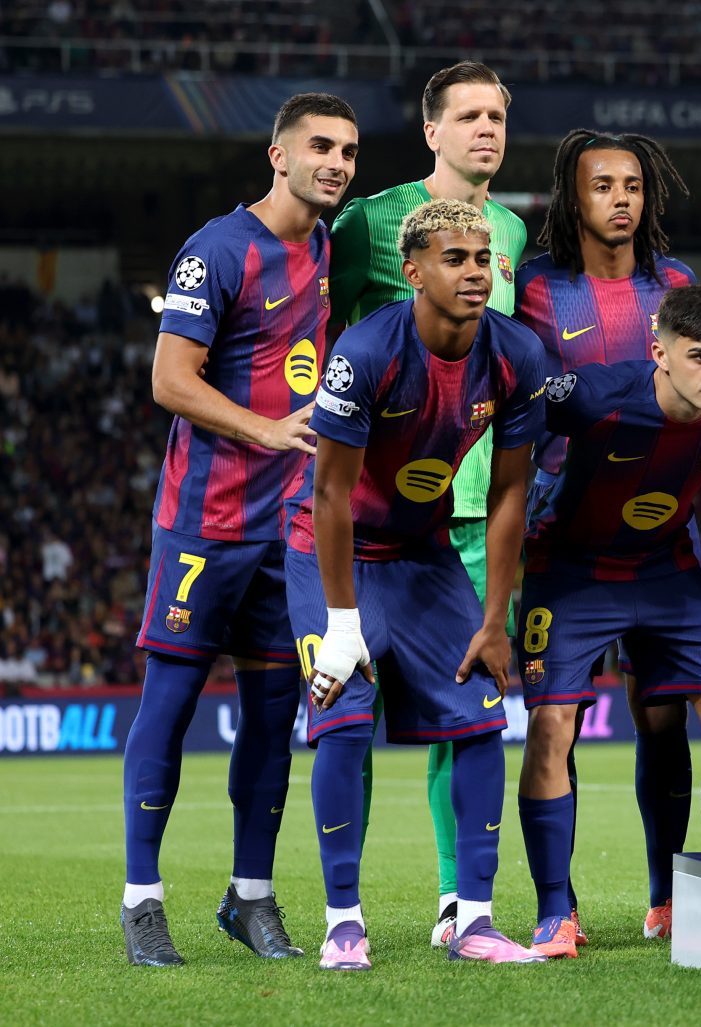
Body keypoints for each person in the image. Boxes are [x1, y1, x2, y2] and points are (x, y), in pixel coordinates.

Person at [119, 92, 358, 967]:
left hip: (289, 526)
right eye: (321, 147)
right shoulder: (217, 249)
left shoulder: (328, 248)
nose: (336, 163)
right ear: (278, 155)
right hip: (205, 521)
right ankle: (142, 901)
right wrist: (268, 430)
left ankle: (249, 896)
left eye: (349, 151)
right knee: (171, 704)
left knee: (271, 716)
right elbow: (169, 380)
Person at [516, 285, 701, 956]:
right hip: (570, 571)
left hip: (664, 569)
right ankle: (555, 911)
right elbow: (506, 403)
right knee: (551, 725)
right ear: (660, 353)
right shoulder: (593, 396)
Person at [289, 199, 547, 969]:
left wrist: (495, 617)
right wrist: (342, 623)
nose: (475, 272)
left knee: (480, 716)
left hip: (425, 551)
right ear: (413, 272)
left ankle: (474, 920)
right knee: (343, 713)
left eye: (483, 259)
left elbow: (510, 492)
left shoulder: (516, 354)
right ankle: (343, 923)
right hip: (333, 550)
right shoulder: (367, 351)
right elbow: (329, 494)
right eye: (454, 258)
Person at [325, 60, 526, 946]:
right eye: (468, 116)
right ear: (431, 130)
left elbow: (504, 356)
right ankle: (344, 908)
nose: (486, 129)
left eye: (497, 116)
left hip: (474, 507)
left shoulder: (510, 228)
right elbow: (325, 334)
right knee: (351, 706)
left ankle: (457, 900)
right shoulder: (369, 220)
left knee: (467, 707)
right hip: (376, 506)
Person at [515, 128, 694, 941]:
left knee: (663, 716)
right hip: (565, 534)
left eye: (633, 185)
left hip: (661, 534)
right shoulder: (534, 288)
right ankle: (560, 909)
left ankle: (668, 897)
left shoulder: (678, 285)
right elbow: (518, 390)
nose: (621, 198)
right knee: (554, 720)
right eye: (602, 185)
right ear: (572, 197)